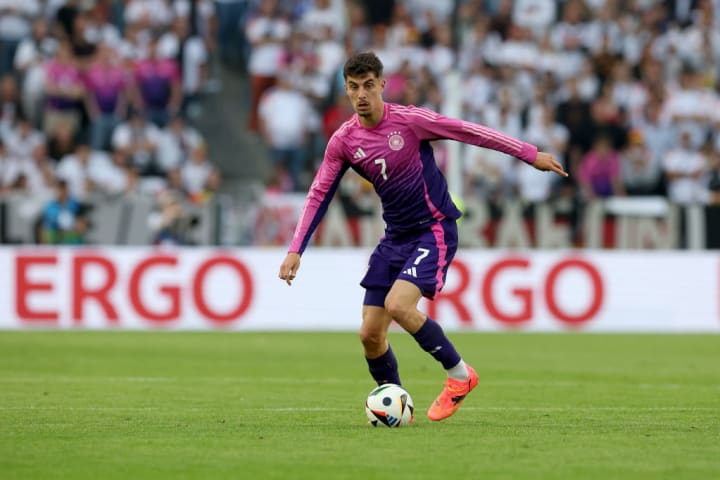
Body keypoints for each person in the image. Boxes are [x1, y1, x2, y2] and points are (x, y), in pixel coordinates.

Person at [278, 52, 567, 422]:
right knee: (369, 335)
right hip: (395, 238)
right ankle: (394, 404)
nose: (361, 94)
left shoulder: (410, 122)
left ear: (382, 85)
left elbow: (468, 131)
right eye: (353, 88)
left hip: (433, 229)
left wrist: (529, 153)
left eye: (368, 85)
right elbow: (319, 193)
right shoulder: (344, 141)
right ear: (346, 91)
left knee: (400, 306)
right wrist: (295, 250)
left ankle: (460, 376)